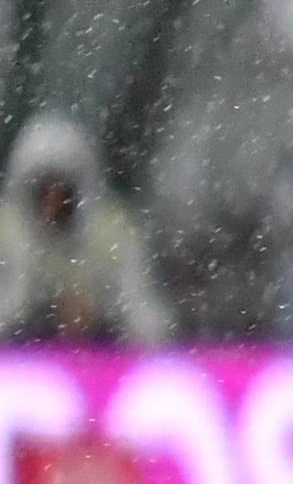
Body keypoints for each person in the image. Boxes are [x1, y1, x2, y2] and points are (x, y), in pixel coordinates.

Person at [0, 117, 174, 346]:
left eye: (61, 190)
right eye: (44, 190)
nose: (52, 204)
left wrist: (101, 313)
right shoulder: (6, 233)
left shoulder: (114, 234)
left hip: (103, 366)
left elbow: (151, 324)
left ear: (81, 190)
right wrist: (41, 312)